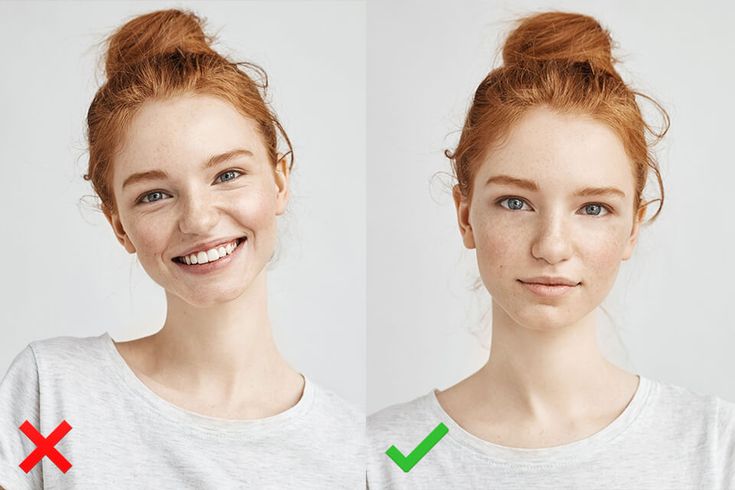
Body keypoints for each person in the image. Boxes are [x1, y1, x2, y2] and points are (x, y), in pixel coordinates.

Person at [367, 11, 734, 489]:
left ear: (633, 228)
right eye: (515, 202)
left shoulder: (713, 447)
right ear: (465, 215)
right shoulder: (395, 455)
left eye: (595, 208)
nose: (552, 246)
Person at [0, 8, 364, 489]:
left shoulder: (355, 453)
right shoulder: (53, 399)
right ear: (120, 226)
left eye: (227, 175)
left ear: (279, 181)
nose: (198, 219)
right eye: (154, 195)